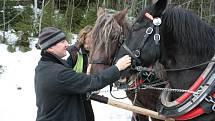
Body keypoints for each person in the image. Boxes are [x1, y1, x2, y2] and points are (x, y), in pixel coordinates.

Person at [34, 27, 131, 121]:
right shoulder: (58, 73)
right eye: (62, 41)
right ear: (50, 47)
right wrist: (117, 68)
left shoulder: (44, 66)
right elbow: (93, 82)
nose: (67, 44)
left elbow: (69, 86)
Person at [66, 25, 94, 121]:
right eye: (89, 37)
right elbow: (64, 74)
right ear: (83, 37)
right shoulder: (73, 52)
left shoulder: (93, 54)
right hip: (72, 96)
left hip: (85, 95)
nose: (91, 41)